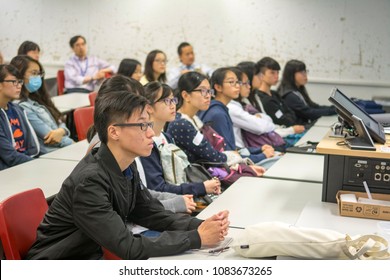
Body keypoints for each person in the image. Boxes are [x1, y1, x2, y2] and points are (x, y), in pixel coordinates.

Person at [26, 86, 230, 260]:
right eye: (142, 125)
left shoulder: (125, 165)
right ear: (114, 132)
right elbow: (127, 247)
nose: (151, 132)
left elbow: (150, 213)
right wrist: (197, 238)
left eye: (149, 124)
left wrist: (202, 225)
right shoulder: (90, 181)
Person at [167, 71, 265, 176]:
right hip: (197, 180)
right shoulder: (181, 124)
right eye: (203, 91)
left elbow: (214, 151)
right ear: (186, 95)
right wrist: (238, 157)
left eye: (209, 91)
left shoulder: (194, 119)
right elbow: (212, 156)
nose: (208, 96)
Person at [139, 81, 221, 196]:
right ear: (149, 108)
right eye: (166, 101)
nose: (173, 105)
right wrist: (201, 187)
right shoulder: (146, 143)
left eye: (173, 100)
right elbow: (158, 189)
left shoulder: (167, 137)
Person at [198, 67, 275, 165]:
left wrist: (259, 149)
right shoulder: (218, 114)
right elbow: (228, 155)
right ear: (218, 87)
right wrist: (262, 156)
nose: (238, 86)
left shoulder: (220, 109)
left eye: (238, 82)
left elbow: (232, 150)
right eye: (231, 82)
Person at [10, 55, 73, 153]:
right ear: (20, 76)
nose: (38, 77)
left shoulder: (37, 99)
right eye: (34, 73)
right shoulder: (22, 107)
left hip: (62, 149)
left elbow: (60, 122)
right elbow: (50, 137)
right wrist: (73, 143)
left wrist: (61, 131)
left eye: (39, 74)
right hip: (52, 153)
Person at [0, 64, 40, 170]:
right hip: (7, 172)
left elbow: (31, 146)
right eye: (14, 82)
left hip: (24, 164)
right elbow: (10, 157)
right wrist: (39, 165)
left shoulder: (17, 110)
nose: (19, 86)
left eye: (20, 81)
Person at [253, 57, 306, 131]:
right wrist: (288, 117)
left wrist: (288, 116)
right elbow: (283, 122)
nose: (276, 76)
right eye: (272, 73)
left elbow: (291, 113)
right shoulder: (263, 99)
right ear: (261, 75)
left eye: (277, 72)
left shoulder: (275, 94)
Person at [278, 59, 336, 124]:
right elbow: (309, 113)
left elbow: (314, 106)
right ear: (291, 74)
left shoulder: (298, 90)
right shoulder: (289, 95)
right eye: (302, 72)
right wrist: (335, 110)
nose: (305, 75)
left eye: (305, 71)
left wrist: (335, 108)